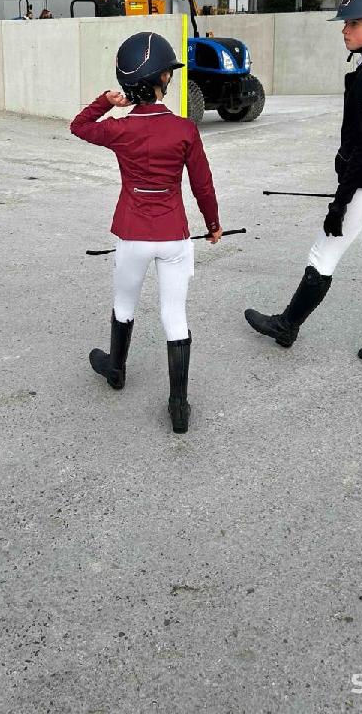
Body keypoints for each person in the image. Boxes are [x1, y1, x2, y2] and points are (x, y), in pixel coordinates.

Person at [244, 0, 362, 372]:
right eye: (345, 24)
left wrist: (339, 204)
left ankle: (287, 325)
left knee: (324, 253)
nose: (345, 30)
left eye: (354, 24)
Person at [70, 31, 222, 432]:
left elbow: (79, 126)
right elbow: (202, 185)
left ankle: (116, 369)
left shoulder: (119, 129)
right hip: (173, 236)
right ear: (162, 81)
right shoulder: (184, 130)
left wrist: (106, 102)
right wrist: (213, 225)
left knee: (125, 304)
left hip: (133, 235)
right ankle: (178, 405)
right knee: (175, 314)